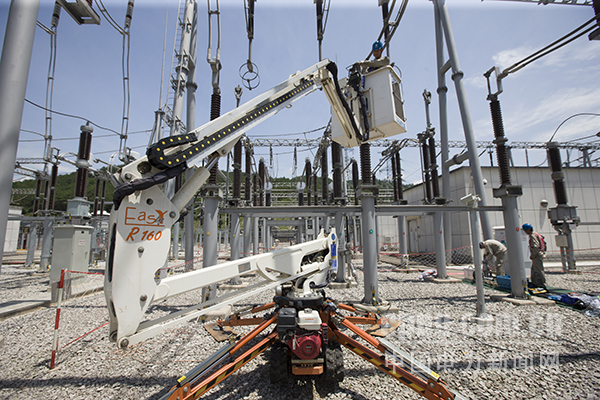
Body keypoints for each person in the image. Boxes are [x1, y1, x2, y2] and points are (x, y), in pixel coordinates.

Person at [522, 223, 546, 288]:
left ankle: (540, 284)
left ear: (528, 230)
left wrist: (533, 255)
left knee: (538, 270)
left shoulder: (533, 236)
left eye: (525, 230)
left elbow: (536, 246)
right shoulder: (537, 235)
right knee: (534, 269)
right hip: (540, 254)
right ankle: (535, 282)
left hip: (537, 255)